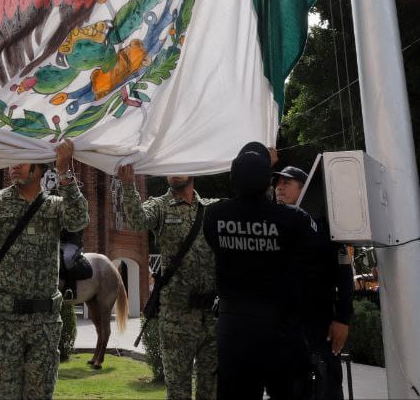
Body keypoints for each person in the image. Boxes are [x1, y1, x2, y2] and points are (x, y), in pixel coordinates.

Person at [0, 140, 89, 400]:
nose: (14, 165)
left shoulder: (54, 205)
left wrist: (65, 174)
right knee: (3, 393)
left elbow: (79, 219)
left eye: (22, 159)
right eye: (12, 159)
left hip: (45, 322)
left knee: (40, 394)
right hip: (5, 320)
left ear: (39, 168)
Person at [202, 142, 316, 400]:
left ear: (232, 179)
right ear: (268, 182)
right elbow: (307, 254)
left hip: (234, 330)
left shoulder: (214, 215)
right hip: (280, 330)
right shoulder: (292, 220)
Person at [115, 165, 217, 399]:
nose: (173, 171)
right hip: (177, 318)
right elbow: (138, 220)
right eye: (168, 166)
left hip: (211, 317)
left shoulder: (211, 208)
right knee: (178, 391)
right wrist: (128, 185)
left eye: (180, 165)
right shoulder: (159, 205)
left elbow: (250, 209)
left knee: (210, 391)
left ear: (193, 169)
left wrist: (265, 169)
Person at [273, 164, 353, 400]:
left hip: (319, 324)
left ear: (304, 188)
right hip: (283, 325)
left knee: (326, 384)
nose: (279, 188)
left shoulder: (326, 228)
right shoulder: (271, 225)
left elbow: (344, 275)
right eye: (277, 184)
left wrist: (342, 318)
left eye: (286, 183)